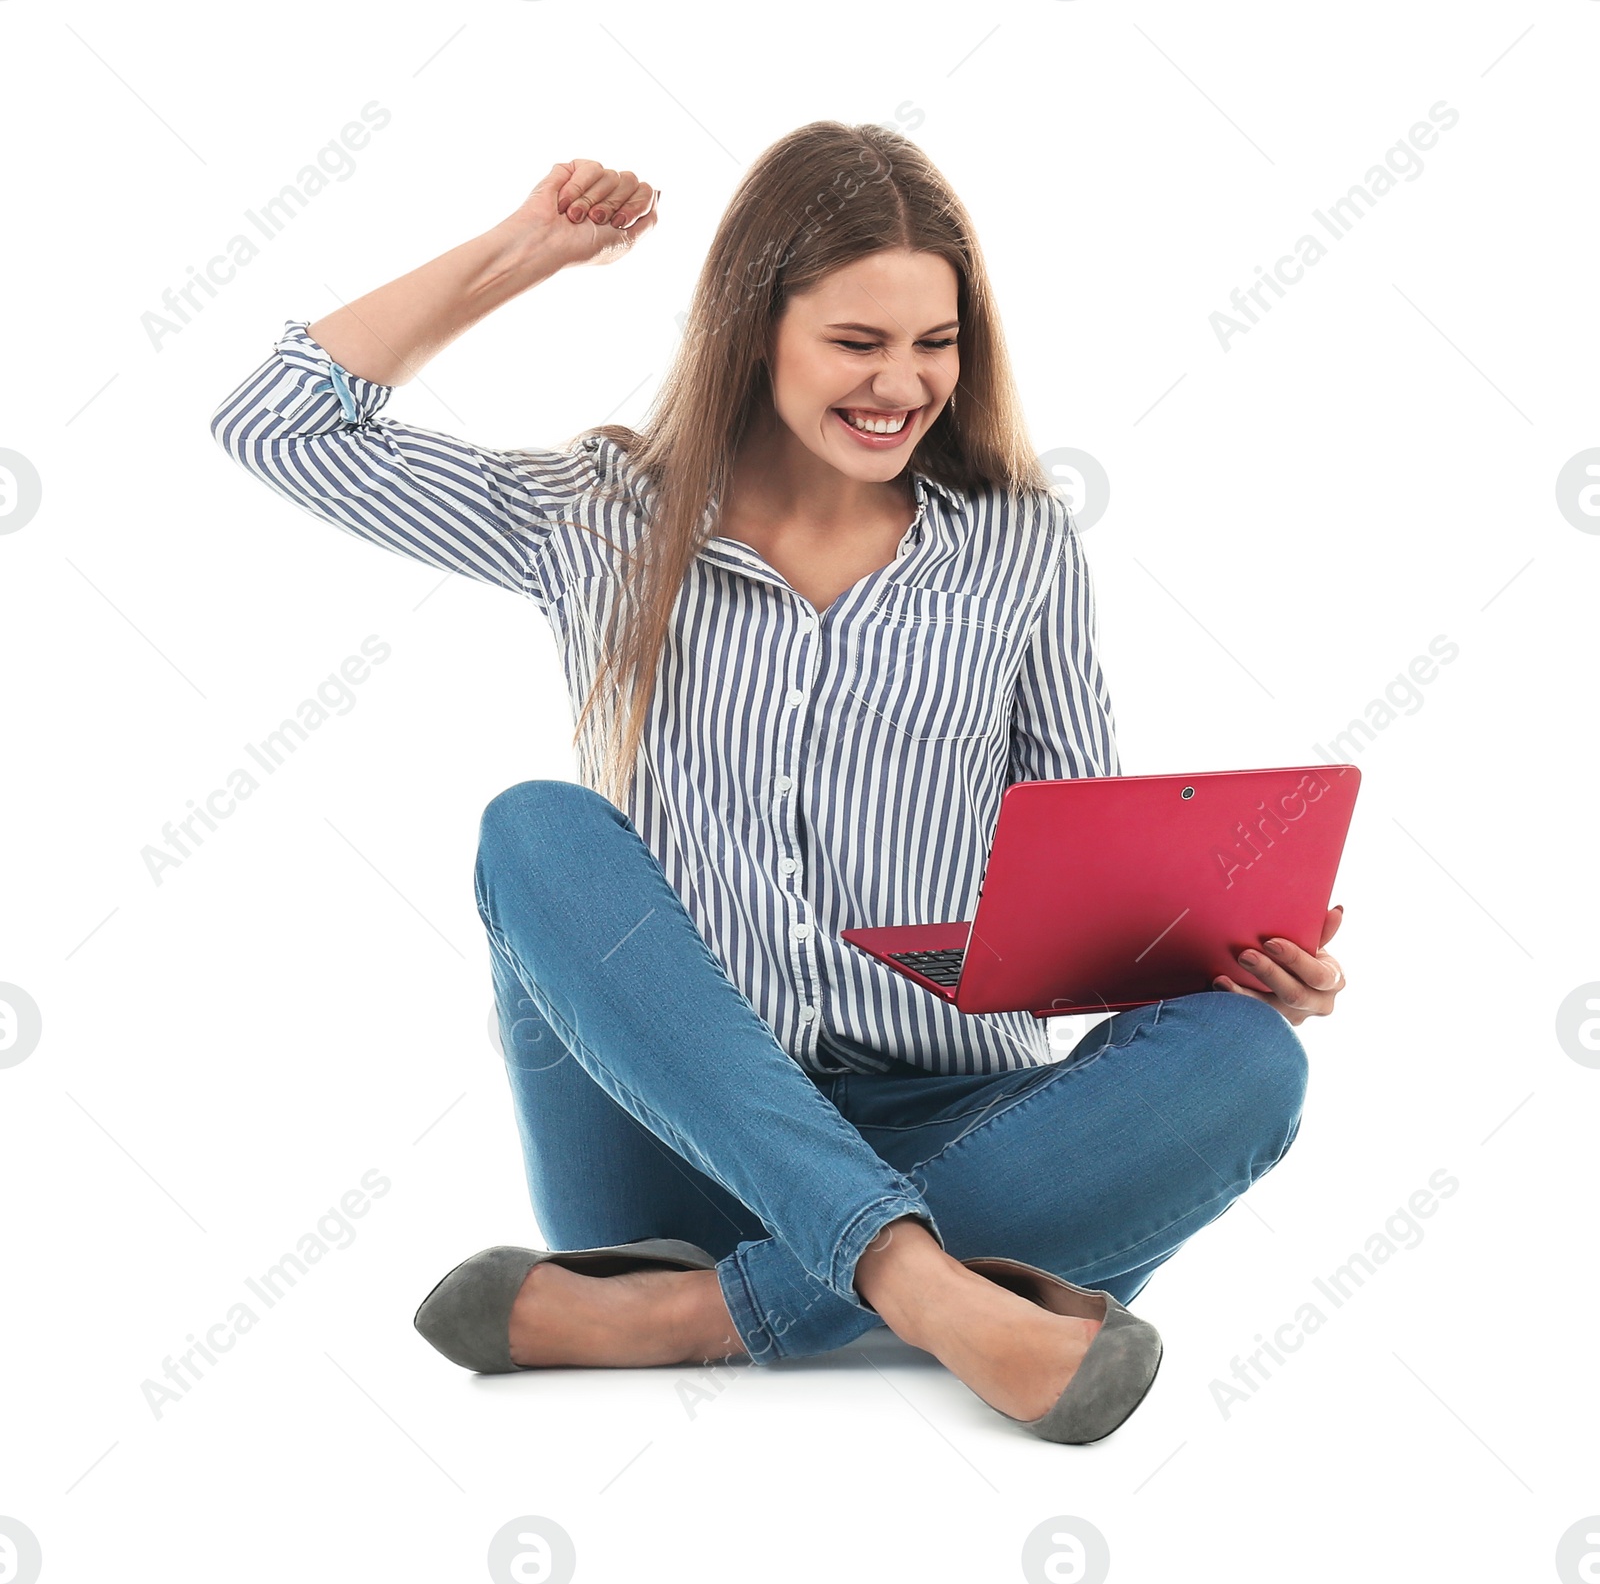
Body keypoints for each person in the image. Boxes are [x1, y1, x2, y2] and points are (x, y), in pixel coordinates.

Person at [209, 123, 1346, 1446]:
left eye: (935, 343)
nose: (902, 382)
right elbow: (275, 423)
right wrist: (527, 249)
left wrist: (1221, 965)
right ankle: (926, 1289)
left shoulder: (1019, 545)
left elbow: (1077, 889)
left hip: (961, 1135)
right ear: (757, 329)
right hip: (673, 1135)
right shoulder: (602, 515)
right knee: (536, 830)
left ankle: (685, 1315)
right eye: (858, 342)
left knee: (1249, 1061)